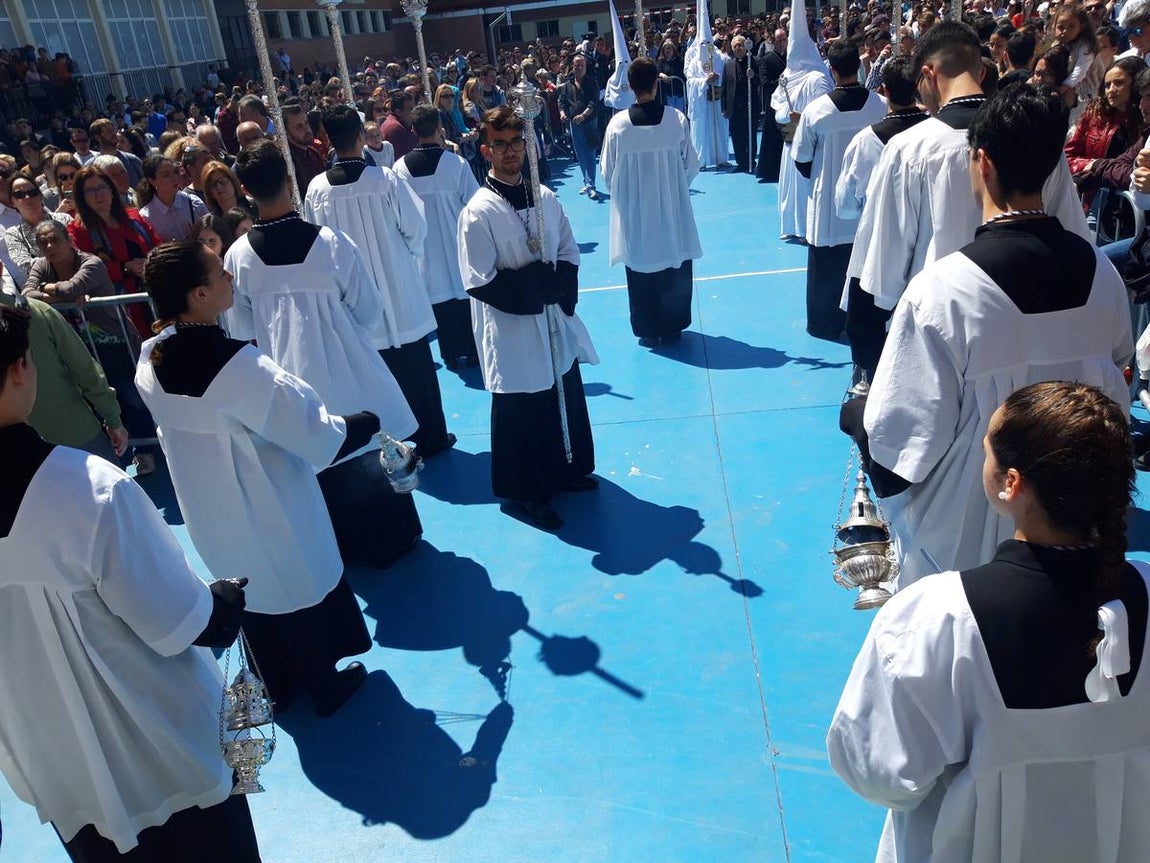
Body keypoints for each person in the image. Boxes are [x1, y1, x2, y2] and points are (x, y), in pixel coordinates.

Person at [829, 381, 1150, 863]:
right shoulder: (1145, 587)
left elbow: (878, 772)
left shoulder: (938, 617)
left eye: (987, 451)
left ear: (1011, 483)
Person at [839, 84, 1133, 588]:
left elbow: (897, 455)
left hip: (968, 549)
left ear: (982, 162)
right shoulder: (1102, 273)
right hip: (1075, 533)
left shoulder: (943, 290)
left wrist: (859, 420)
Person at [0, 301, 261, 861]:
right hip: (157, 754)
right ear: (20, 369)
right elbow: (177, 623)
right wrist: (223, 602)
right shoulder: (87, 488)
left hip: (58, 764)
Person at [137, 240, 374, 717]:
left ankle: (277, 687)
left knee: (251, 592)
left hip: (207, 506)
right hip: (268, 501)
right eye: (219, 272)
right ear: (198, 295)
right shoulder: (241, 369)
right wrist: (365, 421)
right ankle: (324, 688)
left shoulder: (150, 358)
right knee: (294, 583)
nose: (229, 277)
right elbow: (314, 434)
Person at [226, 140, 423, 569]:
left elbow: (240, 330)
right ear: (289, 179)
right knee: (369, 454)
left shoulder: (239, 257)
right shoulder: (331, 242)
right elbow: (369, 312)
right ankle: (397, 536)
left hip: (290, 380)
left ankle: (347, 549)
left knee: (320, 463)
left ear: (246, 190)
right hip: (351, 371)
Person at [847, 24, 1088, 374]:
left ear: (928, 74)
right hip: (1031, 326)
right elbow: (1072, 232)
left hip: (942, 327)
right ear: (979, 70)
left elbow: (884, 266)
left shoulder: (910, 148)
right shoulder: (1033, 134)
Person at [458, 107, 599, 531]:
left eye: (516, 143)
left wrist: (560, 284)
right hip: (512, 326)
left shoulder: (546, 198)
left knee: (561, 389)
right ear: (485, 150)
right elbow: (478, 280)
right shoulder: (478, 212)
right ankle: (529, 492)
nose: (509, 152)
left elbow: (569, 249)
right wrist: (535, 285)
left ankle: (565, 469)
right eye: (499, 145)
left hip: (552, 319)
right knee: (524, 406)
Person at [304, 104, 455, 458]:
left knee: (370, 375)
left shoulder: (316, 190)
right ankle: (431, 438)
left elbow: (317, 240)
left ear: (327, 138)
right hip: (398, 288)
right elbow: (415, 228)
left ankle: (385, 443)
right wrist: (403, 257)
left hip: (352, 297)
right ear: (360, 136)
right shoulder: (385, 179)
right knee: (417, 371)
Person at [836, 56, 929, 377]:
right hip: (929, 250)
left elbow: (844, 205)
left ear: (885, 90)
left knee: (872, 330)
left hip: (878, 250)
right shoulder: (941, 137)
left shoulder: (867, 141)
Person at [601, 57, 702, 348]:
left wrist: (627, 195)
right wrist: (673, 188)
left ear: (630, 87)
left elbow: (608, 172)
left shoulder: (618, 125)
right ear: (656, 84)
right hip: (673, 208)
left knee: (641, 265)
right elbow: (691, 164)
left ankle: (648, 328)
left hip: (636, 211)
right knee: (673, 262)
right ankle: (673, 326)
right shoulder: (676, 119)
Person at [792, 39, 886, 341]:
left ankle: (823, 324)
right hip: (869, 204)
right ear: (858, 67)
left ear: (831, 70)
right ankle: (859, 321)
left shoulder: (816, 111)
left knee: (826, 270)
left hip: (828, 205)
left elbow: (802, 159)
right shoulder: (879, 106)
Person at [394, 104, 481, 370]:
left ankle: (450, 354)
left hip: (423, 250)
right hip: (457, 246)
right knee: (464, 299)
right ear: (439, 129)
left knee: (439, 302)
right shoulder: (456, 164)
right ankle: (474, 351)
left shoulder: (400, 170)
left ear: (413, 130)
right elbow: (475, 204)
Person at [0, 288, 126, 462]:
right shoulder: (39, 312)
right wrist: (113, 420)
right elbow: (85, 369)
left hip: (15, 461)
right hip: (77, 439)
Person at [772, 2, 833, 239]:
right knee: (792, 187)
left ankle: (808, 227)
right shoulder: (788, 76)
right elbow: (777, 101)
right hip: (790, 140)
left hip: (809, 142)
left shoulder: (817, 78)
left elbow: (824, 109)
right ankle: (793, 227)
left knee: (806, 187)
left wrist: (803, 117)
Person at [4, 173, 71, 275]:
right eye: (19, 195)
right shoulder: (13, 234)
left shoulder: (64, 218)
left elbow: (79, 247)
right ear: (13, 202)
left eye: (32, 192)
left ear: (40, 195)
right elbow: (25, 264)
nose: (27, 197)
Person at [685, 24, 730, 169]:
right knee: (701, 130)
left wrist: (718, 77)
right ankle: (701, 160)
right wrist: (704, 81)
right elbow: (690, 81)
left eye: (708, 43)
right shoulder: (694, 63)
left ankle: (721, 158)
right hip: (702, 101)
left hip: (717, 100)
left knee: (720, 128)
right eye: (703, 44)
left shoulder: (720, 59)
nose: (706, 46)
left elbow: (728, 76)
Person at [558, 53, 603, 198]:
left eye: (581, 65)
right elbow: (561, 102)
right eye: (576, 65)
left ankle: (591, 185)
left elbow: (593, 102)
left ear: (585, 67)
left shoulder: (592, 82)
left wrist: (584, 115)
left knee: (589, 153)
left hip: (589, 122)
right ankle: (587, 181)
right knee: (580, 154)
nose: (579, 67)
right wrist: (562, 113)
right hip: (574, 124)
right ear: (572, 66)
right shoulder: (566, 85)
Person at [137, 154, 209, 242]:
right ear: (152, 181)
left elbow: (212, 234)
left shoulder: (194, 202)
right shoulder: (146, 217)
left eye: (175, 172)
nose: (174, 178)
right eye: (166, 175)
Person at [721, 35, 761, 173]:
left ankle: (750, 161)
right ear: (732, 48)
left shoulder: (754, 61)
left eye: (740, 45)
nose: (738, 48)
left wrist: (753, 76)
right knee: (737, 136)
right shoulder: (728, 65)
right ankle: (741, 162)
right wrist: (724, 108)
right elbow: (724, 88)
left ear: (745, 46)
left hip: (750, 106)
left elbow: (761, 81)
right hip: (734, 107)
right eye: (735, 46)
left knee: (750, 135)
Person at [755, 28, 788, 183]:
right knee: (773, 137)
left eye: (783, 39)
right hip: (773, 104)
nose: (781, 43)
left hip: (790, 104)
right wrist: (782, 83)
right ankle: (771, 170)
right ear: (773, 41)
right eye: (778, 40)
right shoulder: (767, 59)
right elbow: (765, 83)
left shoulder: (791, 58)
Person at [282, 103, 326, 200]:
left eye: (306, 123)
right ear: (286, 133)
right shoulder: (286, 160)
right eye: (298, 126)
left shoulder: (313, 153)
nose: (306, 129)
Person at [381, 93, 419, 160]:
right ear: (398, 112)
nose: (414, 113)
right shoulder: (395, 129)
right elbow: (407, 159)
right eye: (410, 110)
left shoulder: (398, 124)